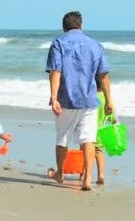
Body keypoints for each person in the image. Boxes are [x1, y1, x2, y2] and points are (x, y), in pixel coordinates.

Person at [45, 11, 113, 191]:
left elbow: (55, 72)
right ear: (81, 25)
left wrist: (53, 97)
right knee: (88, 140)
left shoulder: (59, 43)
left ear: (64, 27)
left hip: (66, 99)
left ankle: (60, 173)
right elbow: (103, 76)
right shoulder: (95, 45)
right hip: (90, 99)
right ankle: (87, 179)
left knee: (62, 138)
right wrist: (109, 100)